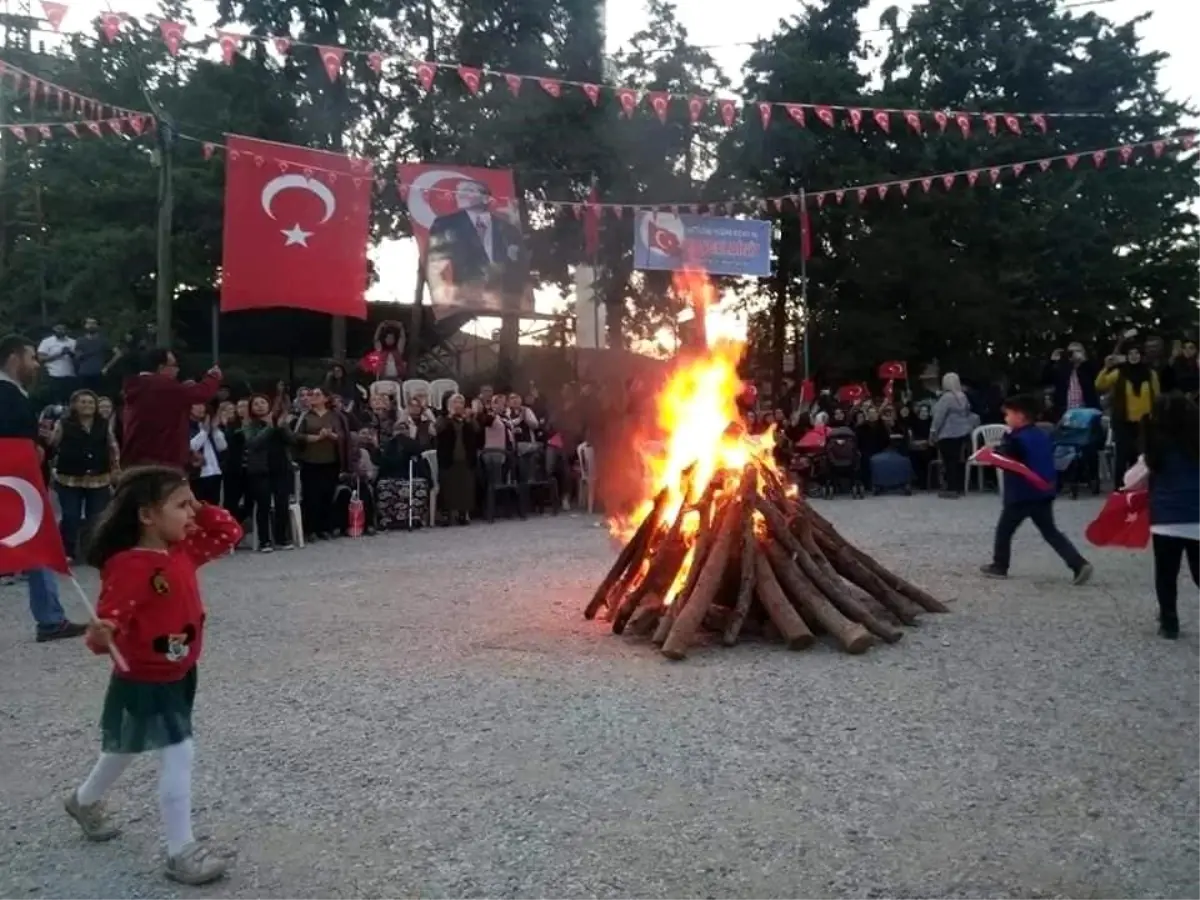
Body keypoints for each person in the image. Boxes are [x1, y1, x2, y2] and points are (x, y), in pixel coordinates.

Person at [67, 466, 242, 885]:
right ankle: (180, 851)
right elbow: (107, 627)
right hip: (146, 678)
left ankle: (83, 800)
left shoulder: (182, 550)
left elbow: (228, 534)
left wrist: (202, 508)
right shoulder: (129, 566)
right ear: (147, 515)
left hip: (180, 671)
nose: (190, 514)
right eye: (181, 505)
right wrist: (100, 634)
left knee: (124, 748)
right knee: (179, 754)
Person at [0, 334, 87, 642]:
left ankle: (50, 617)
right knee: (34, 536)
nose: (36, 365)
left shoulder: (15, 395)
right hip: (15, 487)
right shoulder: (7, 395)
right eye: (31, 357)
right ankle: (50, 618)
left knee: (35, 539)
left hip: (18, 486)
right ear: (14, 359)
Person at [980, 394, 1093, 585]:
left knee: (1004, 530)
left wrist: (992, 454)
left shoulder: (1016, 439)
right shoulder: (1041, 435)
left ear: (1020, 416)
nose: (1006, 419)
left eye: (1008, 414)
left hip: (1021, 494)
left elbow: (1008, 459)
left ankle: (1000, 565)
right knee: (1050, 532)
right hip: (1042, 492)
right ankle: (1078, 563)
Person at [1123, 393, 1200, 639]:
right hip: (1197, 516)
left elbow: (1131, 481)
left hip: (1166, 520)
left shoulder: (1157, 446)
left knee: (1166, 574)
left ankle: (1169, 623)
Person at [426, 179, 529, 312]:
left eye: (468, 190)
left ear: (486, 198)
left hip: (500, 297)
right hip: (461, 296)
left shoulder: (507, 228)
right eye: (458, 191)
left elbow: (519, 263)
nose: (460, 194)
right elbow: (437, 262)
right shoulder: (444, 224)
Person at [49, 389, 120, 561]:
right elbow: (53, 444)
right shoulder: (64, 423)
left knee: (96, 517)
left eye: (90, 402)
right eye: (83, 402)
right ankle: (68, 551)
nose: (87, 405)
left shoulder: (103, 424)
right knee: (70, 516)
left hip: (99, 478)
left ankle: (91, 551)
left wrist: (116, 468)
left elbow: (112, 447)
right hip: (69, 478)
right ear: (74, 405)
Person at [122, 350, 222, 469]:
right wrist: (213, 377)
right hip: (161, 464)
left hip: (139, 460)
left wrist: (186, 453)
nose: (178, 370)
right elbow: (200, 393)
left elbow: (161, 429)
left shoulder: (141, 387)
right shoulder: (161, 386)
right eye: (174, 365)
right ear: (161, 367)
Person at [1096, 343, 1160, 480]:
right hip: (1123, 421)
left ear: (1141, 356)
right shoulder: (1119, 373)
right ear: (1126, 356)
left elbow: (1157, 396)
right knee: (1122, 456)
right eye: (1130, 354)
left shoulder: (1150, 374)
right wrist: (1106, 367)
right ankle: (1119, 487)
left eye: (1137, 353)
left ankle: (1140, 486)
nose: (1134, 356)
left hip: (1144, 422)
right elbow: (1100, 384)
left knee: (1141, 457)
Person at [241, 394, 295, 552]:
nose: (260, 406)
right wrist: (269, 427)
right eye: (256, 403)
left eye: (263, 402)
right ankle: (264, 540)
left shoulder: (278, 422)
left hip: (281, 468)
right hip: (260, 470)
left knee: (282, 504)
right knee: (263, 504)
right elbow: (253, 444)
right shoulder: (249, 424)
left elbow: (292, 441)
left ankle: (281, 538)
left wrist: (282, 426)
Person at [293, 386, 345, 541]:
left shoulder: (335, 416)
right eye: (311, 394)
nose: (313, 397)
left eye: (317, 394)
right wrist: (313, 438)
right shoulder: (305, 415)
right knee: (311, 496)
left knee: (327, 494)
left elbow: (344, 436)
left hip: (330, 460)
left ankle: (325, 528)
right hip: (310, 460)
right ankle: (311, 529)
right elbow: (296, 436)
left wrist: (331, 435)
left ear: (326, 399)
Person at [929, 372, 975, 497]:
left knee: (948, 461)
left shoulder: (946, 398)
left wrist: (933, 432)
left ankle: (951, 488)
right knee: (958, 460)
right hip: (962, 432)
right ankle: (960, 487)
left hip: (947, 433)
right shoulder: (963, 396)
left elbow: (939, 417)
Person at [1041, 342, 1100, 418]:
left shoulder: (1088, 368)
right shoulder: (1062, 370)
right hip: (1066, 413)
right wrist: (1052, 361)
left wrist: (1084, 361)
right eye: (1071, 352)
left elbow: (1098, 377)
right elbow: (1046, 379)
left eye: (1078, 351)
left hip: (1087, 412)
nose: (1074, 354)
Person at [37, 323, 77, 402]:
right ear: (54, 330)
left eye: (63, 329)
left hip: (70, 375)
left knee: (70, 399)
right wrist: (59, 354)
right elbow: (41, 358)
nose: (61, 331)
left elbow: (78, 359)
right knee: (56, 399)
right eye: (58, 329)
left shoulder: (73, 342)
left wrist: (70, 353)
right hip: (54, 375)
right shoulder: (47, 341)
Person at [73, 317, 112, 395]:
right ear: (85, 326)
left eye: (94, 323)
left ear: (97, 326)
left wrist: (107, 367)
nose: (91, 325)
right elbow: (77, 356)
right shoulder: (80, 340)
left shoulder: (103, 340)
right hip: (84, 373)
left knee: (99, 396)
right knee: (84, 395)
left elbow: (118, 353)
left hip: (98, 373)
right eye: (89, 323)